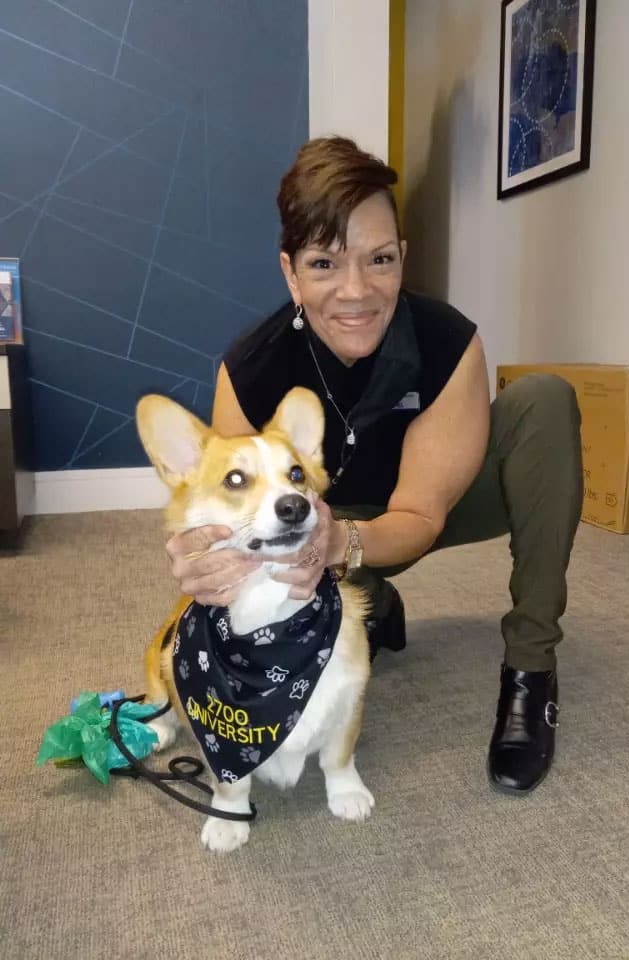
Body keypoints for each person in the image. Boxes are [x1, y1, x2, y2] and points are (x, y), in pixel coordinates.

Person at [166, 136, 583, 795]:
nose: (356, 292)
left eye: (379, 260)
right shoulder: (249, 370)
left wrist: (344, 542)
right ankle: (372, 601)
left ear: (401, 259)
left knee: (544, 401)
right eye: (325, 263)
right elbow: (228, 518)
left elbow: (420, 514)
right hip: (314, 534)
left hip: (418, 512)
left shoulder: (447, 340)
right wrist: (199, 558)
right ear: (290, 272)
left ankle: (532, 670)